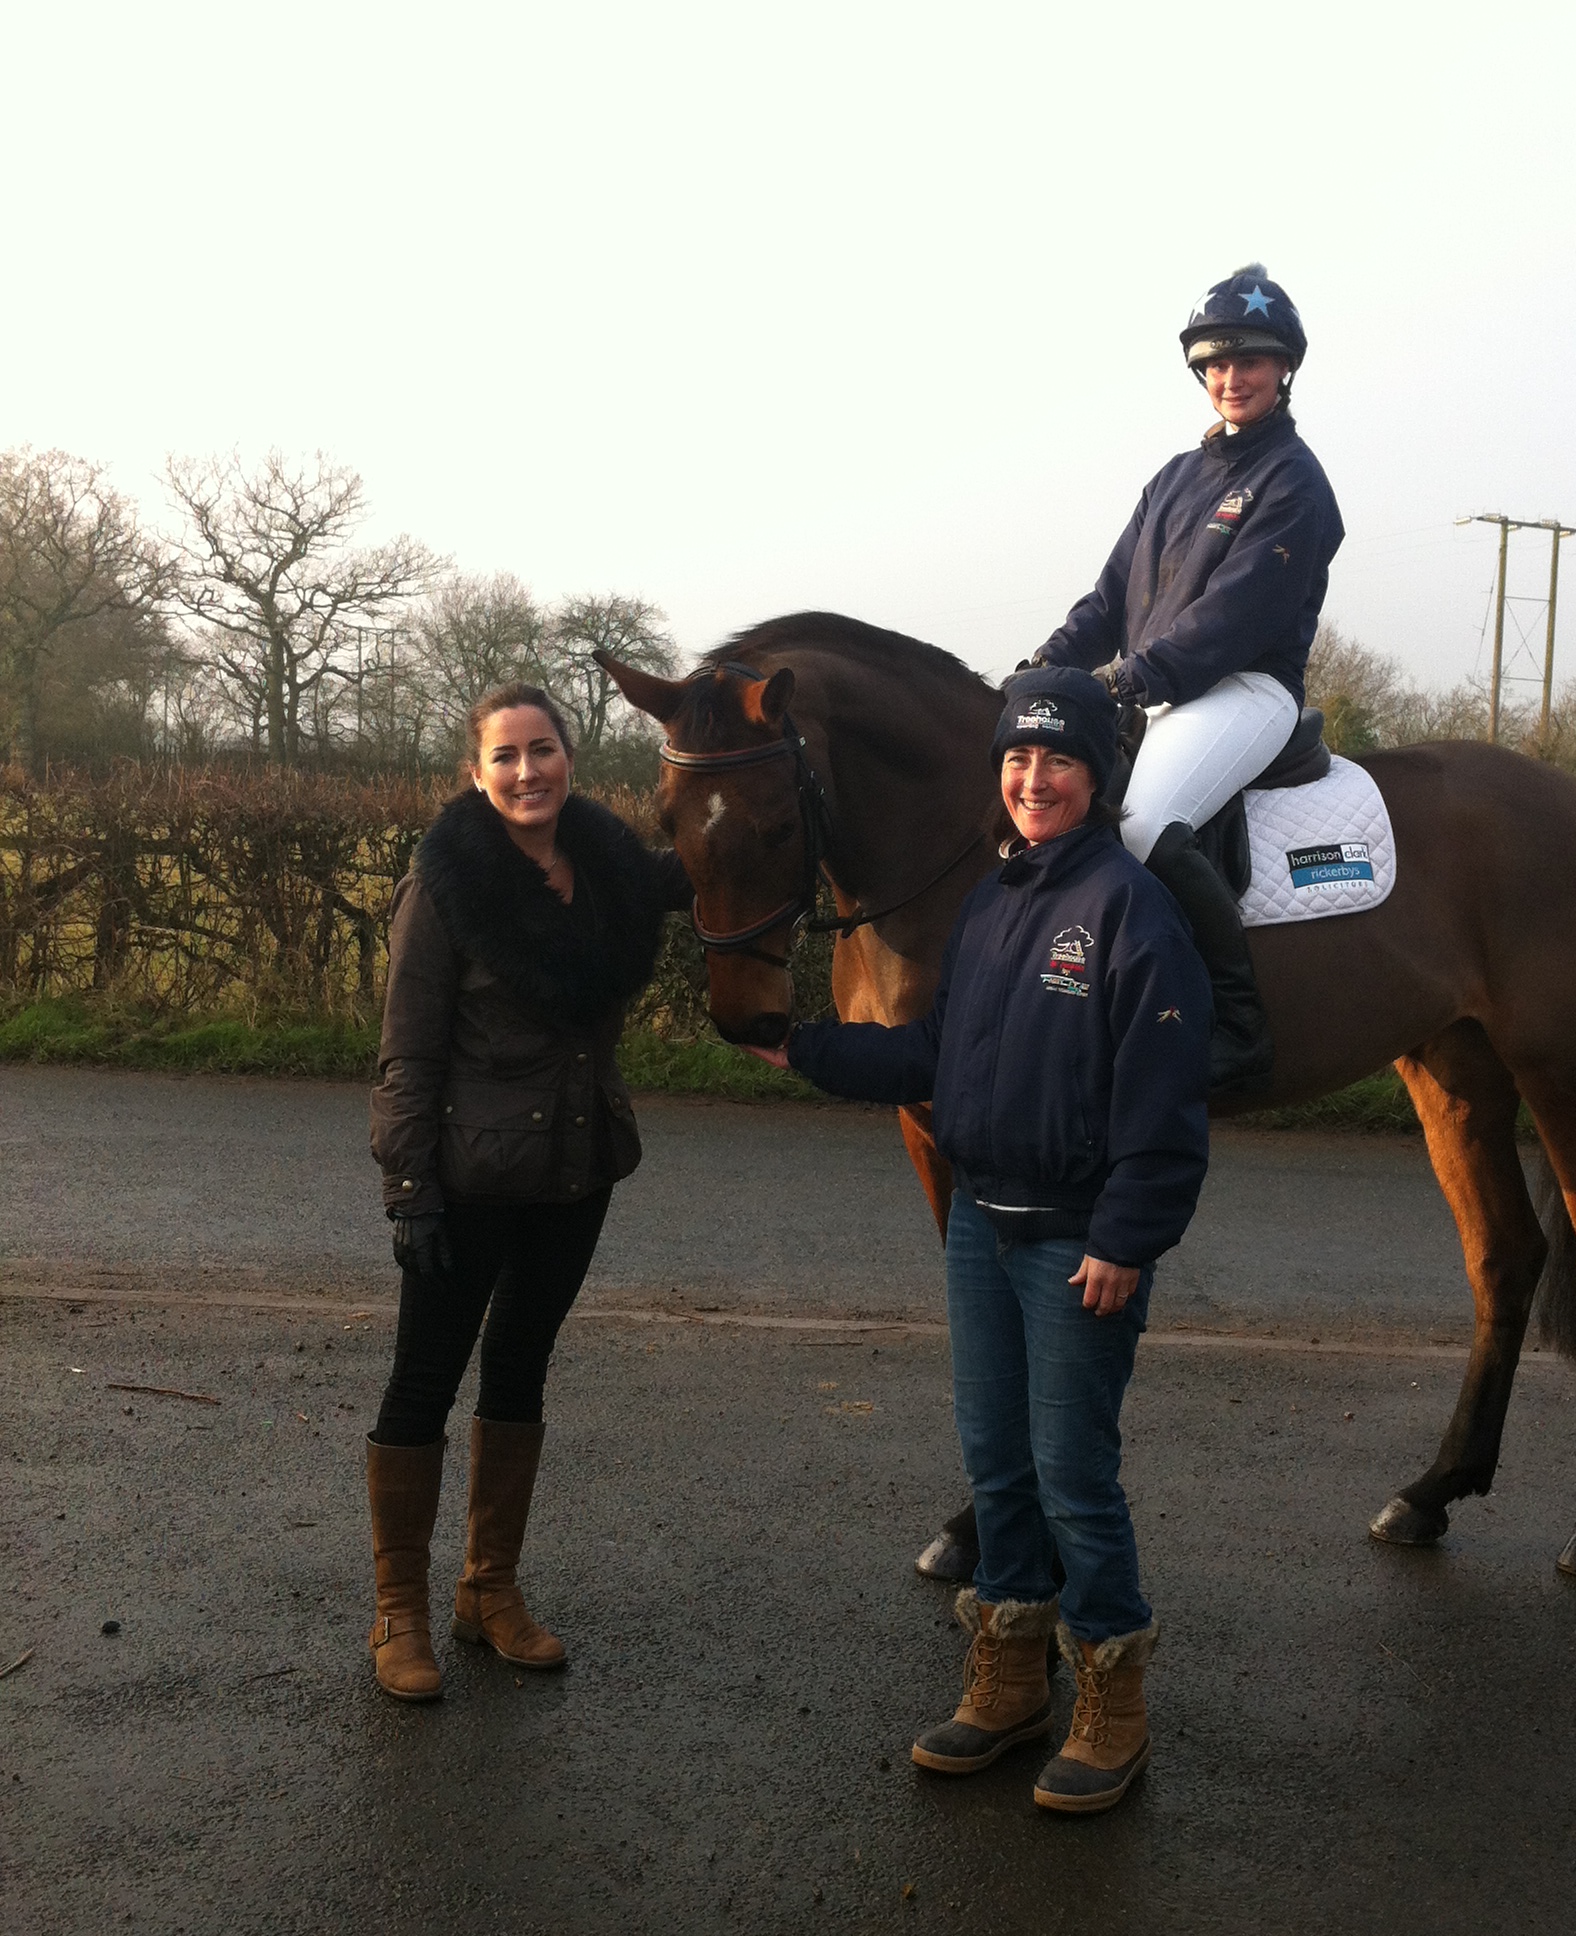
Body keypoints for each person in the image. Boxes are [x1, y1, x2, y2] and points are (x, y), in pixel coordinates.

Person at [751, 665, 1211, 1815]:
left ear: (1096, 775)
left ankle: (1111, 1693)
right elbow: (931, 1058)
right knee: (997, 1464)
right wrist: (804, 1049)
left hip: (1074, 1247)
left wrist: (1125, 1235)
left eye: (1057, 758)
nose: (1033, 775)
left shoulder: (1130, 908)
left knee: (1073, 1478)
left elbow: (1165, 1106)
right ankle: (1009, 1673)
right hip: (979, 1228)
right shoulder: (994, 902)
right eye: (1016, 757)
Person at [364, 683, 689, 1702]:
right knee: (425, 1381)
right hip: (464, 1179)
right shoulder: (447, 887)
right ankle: (400, 1611)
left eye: (541, 750)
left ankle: (487, 1590)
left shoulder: (606, 871)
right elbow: (406, 1049)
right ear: (476, 772)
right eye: (503, 756)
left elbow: (695, 877)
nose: (525, 771)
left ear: (571, 757)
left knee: (520, 1367)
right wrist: (409, 1185)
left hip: (576, 1167)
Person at [1032, 263, 1345, 1092]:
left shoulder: (1295, 483)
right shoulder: (1173, 478)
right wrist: (1043, 669)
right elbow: (1108, 597)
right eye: (1215, 364)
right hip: (1157, 690)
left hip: (1245, 690)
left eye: (1249, 361)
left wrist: (1129, 681)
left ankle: (1238, 1026)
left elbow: (1232, 618)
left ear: (1284, 370)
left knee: (1138, 825)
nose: (1230, 378)